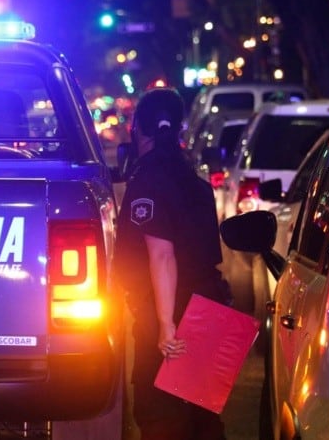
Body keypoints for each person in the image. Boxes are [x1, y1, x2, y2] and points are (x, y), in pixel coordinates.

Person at [113, 87, 233, 440]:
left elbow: (162, 256)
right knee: (204, 424)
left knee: (161, 420)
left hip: (169, 317)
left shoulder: (148, 181)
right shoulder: (197, 185)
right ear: (181, 130)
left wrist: (166, 325)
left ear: (139, 130)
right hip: (208, 312)